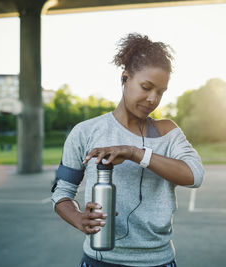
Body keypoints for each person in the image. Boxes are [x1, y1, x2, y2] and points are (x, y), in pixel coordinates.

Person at [51, 33, 205, 267]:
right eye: (146, 87)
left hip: (159, 260)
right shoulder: (86, 132)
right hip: (100, 260)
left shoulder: (167, 132)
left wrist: (136, 153)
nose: (153, 99)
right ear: (125, 78)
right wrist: (78, 218)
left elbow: (195, 175)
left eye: (161, 92)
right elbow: (62, 191)